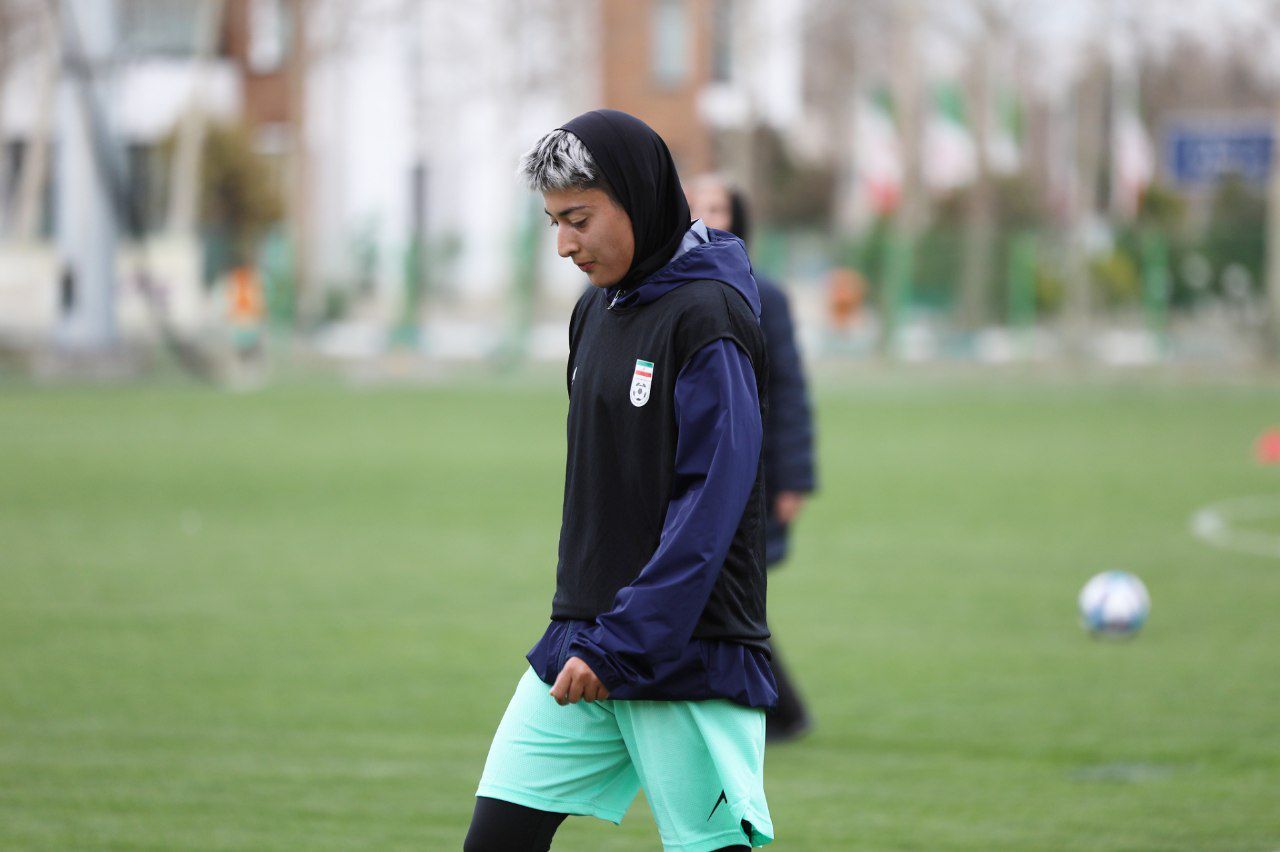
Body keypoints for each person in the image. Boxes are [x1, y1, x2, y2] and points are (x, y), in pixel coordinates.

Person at [463, 110, 776, 852]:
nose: (565, 244)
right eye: (553, 223)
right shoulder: (593, 311)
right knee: (496, 840)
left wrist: (628, 640)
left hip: (686, 652)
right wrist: (596, 636)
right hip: (582, 643)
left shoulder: (708, 317)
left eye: (579, 220)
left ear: (637, 199)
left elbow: (710, 503)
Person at [687, 175, 817, 743]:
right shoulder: (665, 290)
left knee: (726, 593)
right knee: (713, 592)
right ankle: (765, 710)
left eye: (718, 207)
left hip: (749, 473)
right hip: (689, 473)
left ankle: (775, 710)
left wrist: (793, 479)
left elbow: (789, 390)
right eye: (696, 207)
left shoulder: (766, 295)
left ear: (737, 218)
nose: (707, 217)